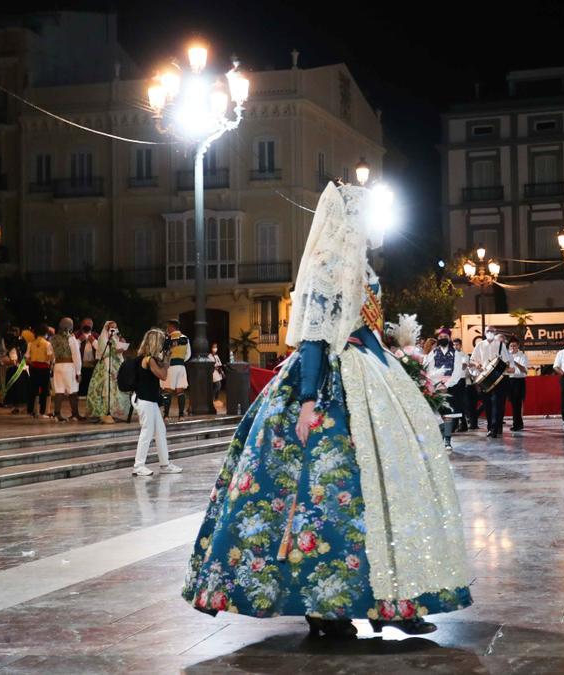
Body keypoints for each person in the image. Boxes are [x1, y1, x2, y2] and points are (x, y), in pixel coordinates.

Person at [182, 182, 472, 637]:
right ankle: (326, 608)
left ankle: (396, 598)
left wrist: (399, 375)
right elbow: (314, 337)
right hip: (328, 382)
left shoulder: (366, 271)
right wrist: (309, 400)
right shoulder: (324, 267)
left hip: (368, 376)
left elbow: (370, 334)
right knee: (325, 495)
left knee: (388, 490)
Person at [130, 329, 182, 476]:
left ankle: (165, 464)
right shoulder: (148, 360)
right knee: (147, 431)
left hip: (150, 400)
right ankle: (138, 466)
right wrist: (167, 359)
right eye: (162, 341)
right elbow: (163, 376)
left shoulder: (151, 358)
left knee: (160, 431)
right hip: (145, 400)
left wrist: (166, 356)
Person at [424, 328, 467, 441]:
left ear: (449, 338)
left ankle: (447, 440)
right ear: (438, 339)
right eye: (441, 337)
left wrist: (446, 385)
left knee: (448, 416)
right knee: (437, 414)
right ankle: (438, 439)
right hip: (435, 387)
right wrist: (437, 384)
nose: (443, 339)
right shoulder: (432, 353)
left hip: (450, 387)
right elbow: (429, 370)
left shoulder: (456, 354)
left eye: (445, 337)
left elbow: (457, 372)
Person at [86, 321, 130, 424]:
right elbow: (103, 352)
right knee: (107, 388)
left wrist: (122, 345)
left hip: (116, 365)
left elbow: (118, 351)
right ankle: (105, 412)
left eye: (115, 328)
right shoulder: (103, 338)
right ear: (106, 329)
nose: (113, 330)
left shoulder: (116, 338)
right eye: (111, 328)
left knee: (117, 388)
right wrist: (116, 350)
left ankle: (117, 412)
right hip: (106, 364)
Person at [472, 327, 512, 439]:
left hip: (498, 378)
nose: (490, 333)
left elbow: (506, 362)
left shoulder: (500, 345)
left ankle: (494, 429)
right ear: (484, 333)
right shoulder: (480, 345)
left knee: (497, 404)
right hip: (485, 378)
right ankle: (491, 427)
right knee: (487, 404)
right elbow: (473, 360)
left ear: (495, 333)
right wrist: (477, 365)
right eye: (488, 331)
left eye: (492, 331)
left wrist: (505, 366)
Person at [50, 318, 82, 422]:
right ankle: (75, 414)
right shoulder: (71, 338)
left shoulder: (53, 338)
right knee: (73, 391)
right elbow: (76, 355)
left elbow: (50, 353)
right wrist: (78, 372)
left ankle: (57, 414)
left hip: (58, 365)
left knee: (59, 390)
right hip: (69, 366)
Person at [161, 319, 191, 420]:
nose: (167, 329)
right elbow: (188, 354)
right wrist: (181, 360)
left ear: (171, 327)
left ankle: (166, 416)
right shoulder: (185, 338)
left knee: (168, 390)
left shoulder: (168, 338)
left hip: (171, 366)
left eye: (168, 327)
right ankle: (181, 415)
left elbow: (162, 353)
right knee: (180, 391)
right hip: (181, 367)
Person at [0, 327, 29, 417]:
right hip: (18, 369)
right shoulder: (17, 345)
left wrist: (5, 361)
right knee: (18, 390)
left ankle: (20, 407)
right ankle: (18, 407)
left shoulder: (17, 345)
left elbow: (14, 360)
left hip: (18, 369)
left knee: (19, 390)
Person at [26, 324, 54, 419]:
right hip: (44, 368)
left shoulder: (30, 343)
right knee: (44, 390)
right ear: (46, 333)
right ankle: (42, 412)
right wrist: (50, 365)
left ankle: (30, 411)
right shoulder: (47, 344)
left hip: (33, 368)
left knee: (32, 390)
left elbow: (27, 358)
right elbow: (50, 357)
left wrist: (33, 363)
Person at [506, 337, 529, 432]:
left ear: (518, 346)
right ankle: (519, 423)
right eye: (511, 346)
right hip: (509, 380)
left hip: (519, 381)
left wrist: (514, 362)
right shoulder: (507, 356)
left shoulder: (522, 356)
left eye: (514, 346)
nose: (512, 347)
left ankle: (517, 424)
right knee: (512, 403)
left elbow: (524, 370)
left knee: (517, 404)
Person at [77, 318, 99, 401]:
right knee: (81, 382)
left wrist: (93, 341)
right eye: (86, 324)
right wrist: (79, 340)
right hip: (80, 364)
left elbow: (101, 349)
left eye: (89, 324)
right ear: (81, 325)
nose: (87, 326)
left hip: (93, 364)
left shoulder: (96, 336)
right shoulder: (76, 335)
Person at [207, 343, 225, 408]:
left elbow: (219, 364)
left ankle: (216, 399)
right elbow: (211, 365)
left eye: (216, 347)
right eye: (214, 347)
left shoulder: (217, 356)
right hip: (213, 372)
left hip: (218, 372)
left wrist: (222, 372)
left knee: (219, 386)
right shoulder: (209, 356)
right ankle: (212, 398)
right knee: (218, 385)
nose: (215, 348)